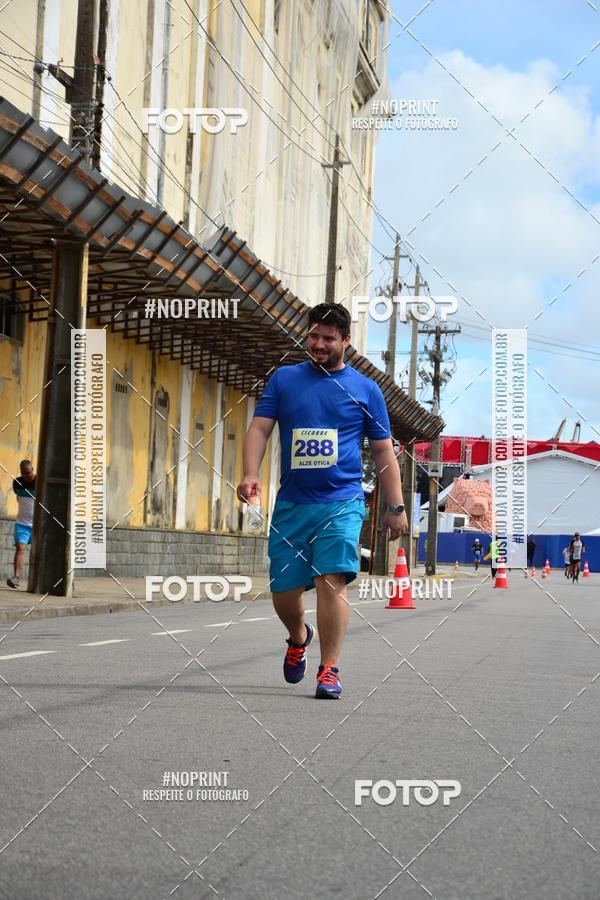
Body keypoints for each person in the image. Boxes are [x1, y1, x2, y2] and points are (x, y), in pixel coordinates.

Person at [236, 303, 408, 700]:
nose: (319, 344)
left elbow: (383, 452)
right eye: (314, 335)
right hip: (293, 504)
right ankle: (298, 636)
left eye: (329, 338)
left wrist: (395, 507)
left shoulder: (366, 389)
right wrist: (250, 473)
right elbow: (260, 427)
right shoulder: (284, 380)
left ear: (347, 341)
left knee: (330, 581)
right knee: (284, 592)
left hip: (342, 502)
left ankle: (329, 669)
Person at [7, 459, 35, 589]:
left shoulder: (40, 482)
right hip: (22, 523)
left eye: (28, 473)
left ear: (32, 470)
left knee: (39, 552)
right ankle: (16, 577)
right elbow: (19, 498)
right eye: (24, 473)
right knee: (20, 548)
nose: (26, 476)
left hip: (38, 526)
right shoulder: (17, 482)